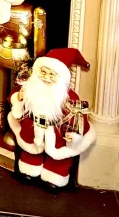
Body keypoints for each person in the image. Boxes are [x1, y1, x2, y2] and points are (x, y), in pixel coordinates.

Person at [7, 48, 95, 189]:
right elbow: (14, 94)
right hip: (32, 127)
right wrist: (17, 98)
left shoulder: (69, 97)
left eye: (51, 74)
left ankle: (55, 176)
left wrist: (74, 133)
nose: (46, 77)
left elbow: (79, 116)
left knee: (59, 154)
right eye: (43, 72)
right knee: (30, 149)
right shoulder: (29, 87)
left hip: (57, 131)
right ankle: (29, 169)